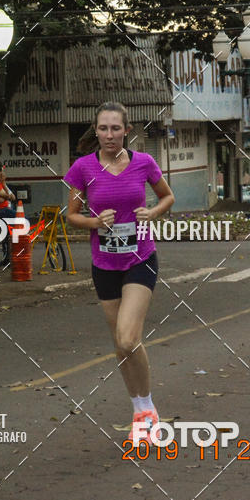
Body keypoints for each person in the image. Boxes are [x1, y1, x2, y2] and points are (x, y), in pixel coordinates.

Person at [65, 101, 174, 442]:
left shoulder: (144, 162)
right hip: (104, 265)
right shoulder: (83, 168)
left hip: (140, 258)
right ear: (95, 131)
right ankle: (140, 411)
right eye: (103, 128)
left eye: (115, 128)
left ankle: (149, 407)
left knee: (129, 337)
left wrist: (152, 213)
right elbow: (71, 215)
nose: (109, 135)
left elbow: (167, 197)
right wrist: (94, 222)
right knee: (121, 345)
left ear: (127, 131)